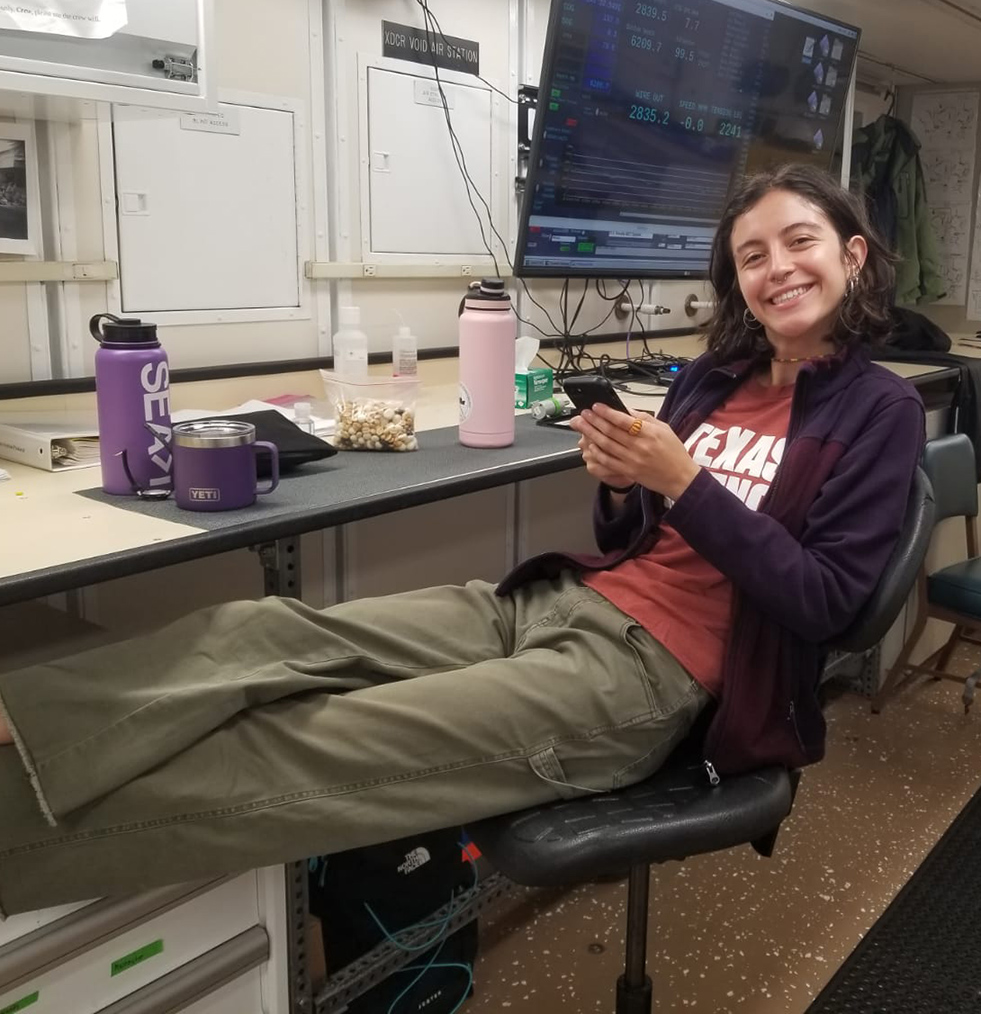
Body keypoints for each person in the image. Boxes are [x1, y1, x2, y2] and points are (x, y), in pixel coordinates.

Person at [0, 164, 924, 917]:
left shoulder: (880, 410)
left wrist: (683, 481)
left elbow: (826, 604)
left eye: (799, 242)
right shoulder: (712, 378)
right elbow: (648, 535)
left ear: (850, 254)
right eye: (752, 255)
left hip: (651, 677)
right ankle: (26, 718)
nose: (777, 269)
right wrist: (622, 485)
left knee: (311, 740)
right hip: (560, 602)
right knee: (270, 630)